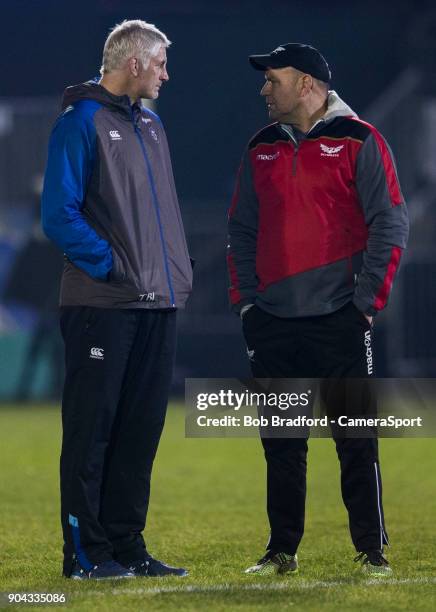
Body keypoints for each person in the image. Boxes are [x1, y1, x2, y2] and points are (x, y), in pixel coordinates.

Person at [227, 43, 409, 577]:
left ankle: (371, 550)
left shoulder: (361, 140)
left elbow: (391, 224)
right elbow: (240, 229)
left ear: (307, 84)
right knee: (282, 445)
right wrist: (245, 305)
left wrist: (365, 305)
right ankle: (282, 550)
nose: (264, 89)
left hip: (340, 319)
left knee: (356, 441)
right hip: (272, 322)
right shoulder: (259, 146)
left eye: (273, 80)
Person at [42, 20, 193, 580]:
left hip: (157, 303)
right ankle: (85, 554)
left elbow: (161, 213)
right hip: (100, 305)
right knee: (93, 431)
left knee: (139, 430)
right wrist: (112, 267)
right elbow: (58, 215)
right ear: (135, 65)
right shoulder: (78, 122)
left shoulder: (151, 126)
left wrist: (177, 271)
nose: (165, 74)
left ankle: (128, 547)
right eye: (160, 64)